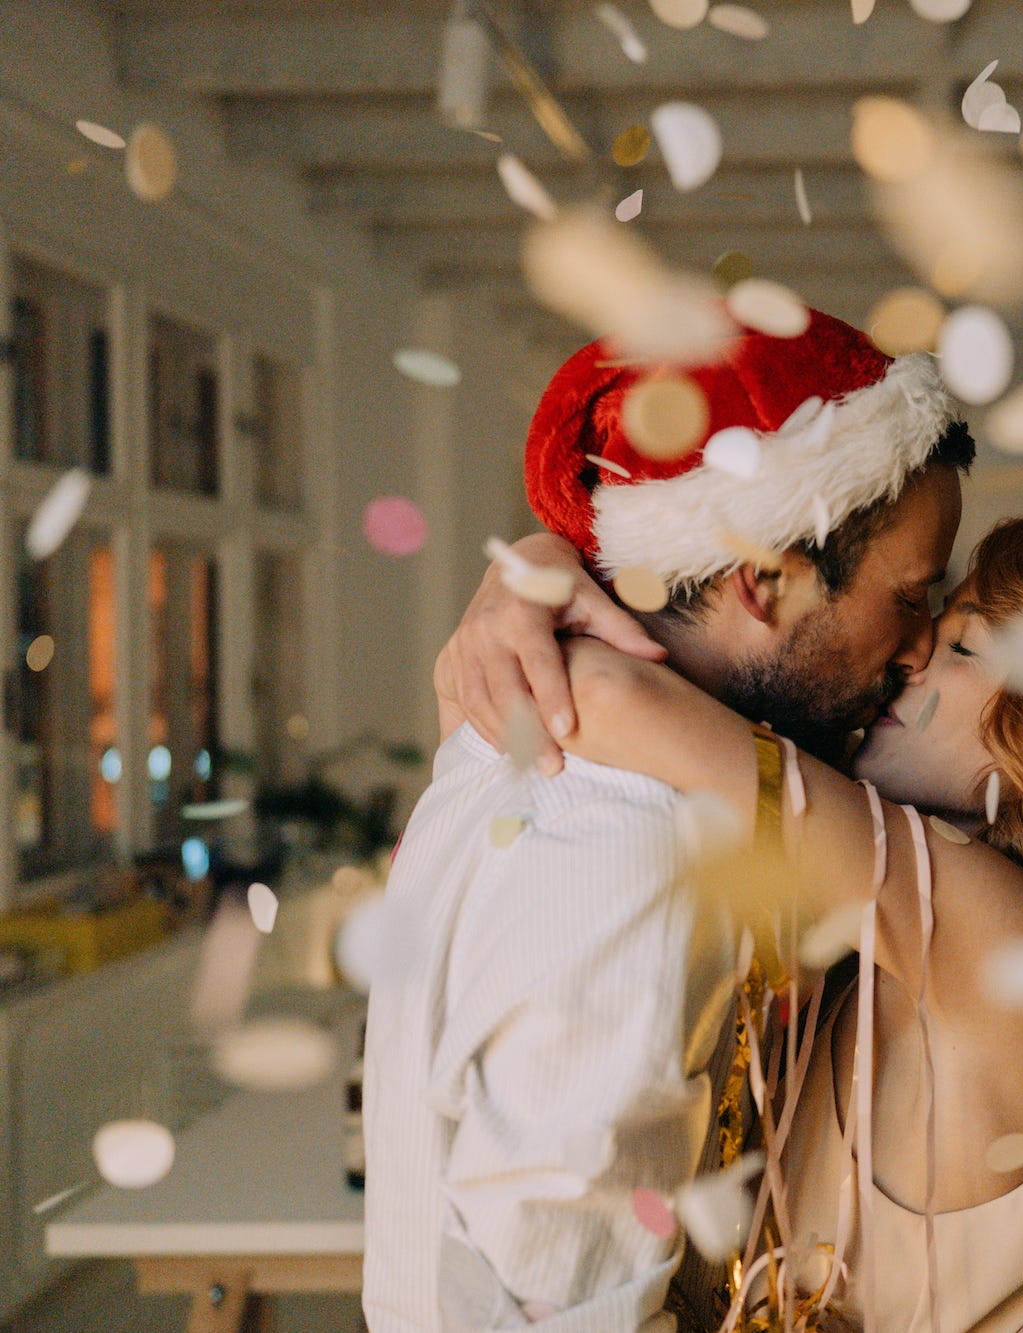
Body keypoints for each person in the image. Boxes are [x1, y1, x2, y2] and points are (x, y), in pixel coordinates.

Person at [440, 388, 1023, 1331]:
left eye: (958, 641)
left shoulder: (1007, 939)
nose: (910, 654)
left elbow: (609, 698)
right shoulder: (920, 921)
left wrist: (529, 586)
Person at [363, 308, 976, 1333]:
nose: (918, 648)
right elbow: (560, 1301)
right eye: (911, 596)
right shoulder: (627, 846)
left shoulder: (545, 741)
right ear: (764, 578)